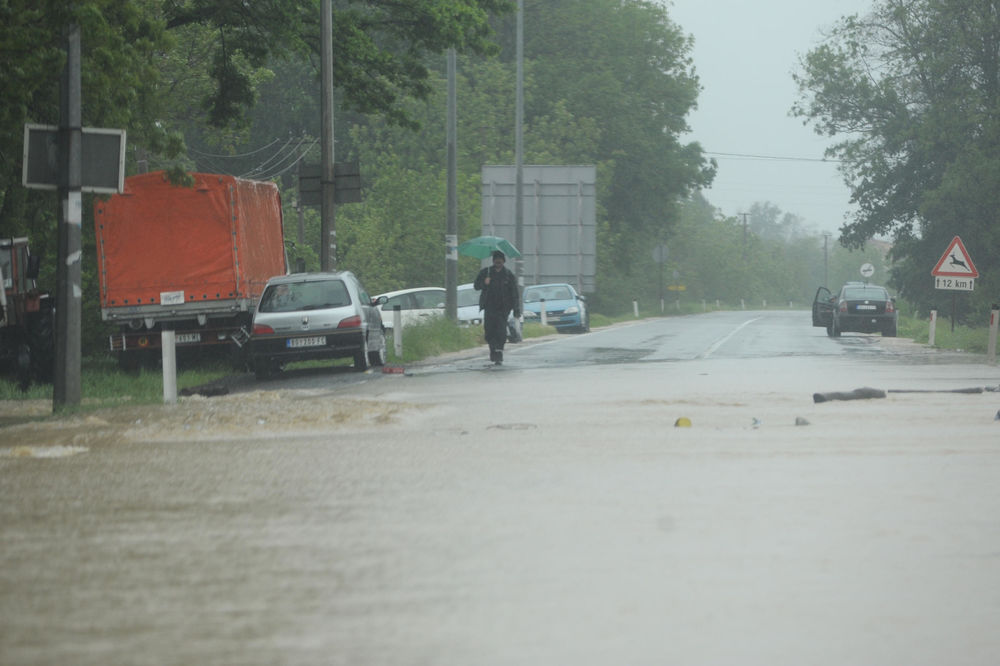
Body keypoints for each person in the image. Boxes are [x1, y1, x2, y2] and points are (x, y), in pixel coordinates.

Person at [474, 250, 521, 365]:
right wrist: (484, 283)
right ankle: (492, 350)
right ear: (493, 261)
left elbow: (514, 293)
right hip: (489, 307)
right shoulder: (486, 272)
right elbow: (476, 286)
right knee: (489, 331)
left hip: (503, 308)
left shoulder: (508, 275)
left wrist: (516, 309)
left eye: (500, 260)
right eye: (496, 260)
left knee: (501, 332)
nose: (498, 262)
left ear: (503, 261)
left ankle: (498, 354)